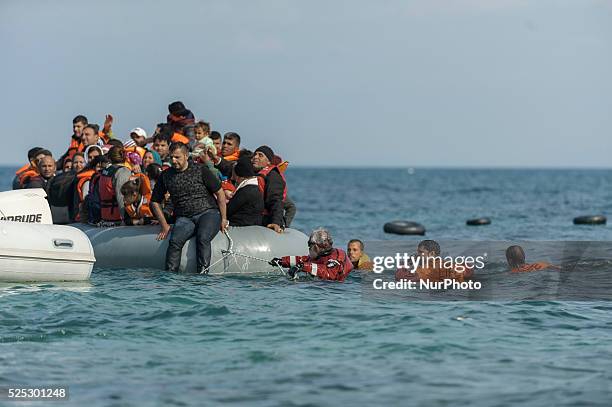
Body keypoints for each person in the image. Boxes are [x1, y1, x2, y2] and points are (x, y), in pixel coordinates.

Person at [150, 142, 228, 273]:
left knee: (202, 238)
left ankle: (202, 275)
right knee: (174, 242)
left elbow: (220, 193)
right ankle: (170, 275)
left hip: (208, 213)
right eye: (171, 157)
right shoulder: (166, 175)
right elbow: (154, 201)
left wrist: (224, 218)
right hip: (185, 217)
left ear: (186, 156)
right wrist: (164, 225)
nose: (173, 161)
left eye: (177, 157)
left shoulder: (200, 170)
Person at [271, 228, 353, 281]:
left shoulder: (337, 258)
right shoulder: (320, 256)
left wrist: (303, 267)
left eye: (309, 245)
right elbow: (303, 260)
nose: (308, 248)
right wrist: (281, 261)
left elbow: (329, 274)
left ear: (316, 247)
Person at [87, 146, 132, 223]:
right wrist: (126, 219)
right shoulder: (122, 172)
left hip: (105, 218)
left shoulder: (104, 172)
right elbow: (121, 197)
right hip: (117, 219)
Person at [395, 240, 473, 282]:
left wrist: (404, 264)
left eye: (420, 252)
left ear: (432, 253)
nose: (417, 255)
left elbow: (401, 278)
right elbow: (468, 269)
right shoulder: (447, 264)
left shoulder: (425, 270)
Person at [252, 146, 286, 233]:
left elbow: (276, 200)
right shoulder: (251, 174)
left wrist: (276, 222)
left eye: (260, 155)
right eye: (255, 154)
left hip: (265, 219)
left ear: (268, 162)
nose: (255, 157)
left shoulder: (273, 176)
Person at [227, 156, 264, 226]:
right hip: (253, 226)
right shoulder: (255, 189)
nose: (232, 178)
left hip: (240, 226)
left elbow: (228, 210)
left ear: (240, 175)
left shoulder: (245, 191)